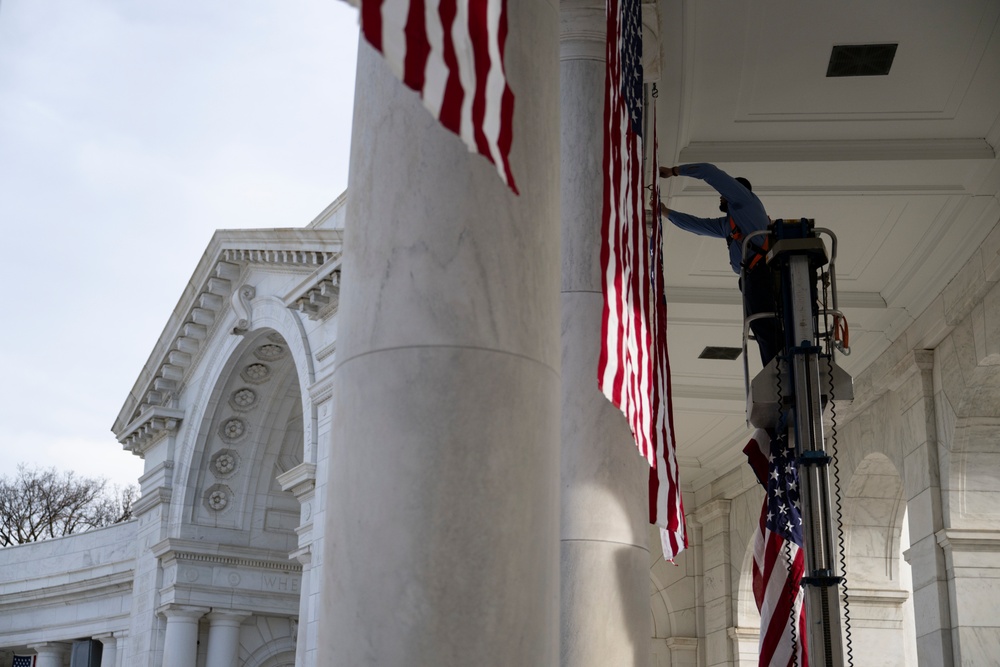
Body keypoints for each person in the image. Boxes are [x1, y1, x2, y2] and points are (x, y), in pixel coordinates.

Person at [659, 163, 782, 367]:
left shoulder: (746, 202)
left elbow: (709, 172)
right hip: (752, 278)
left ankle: (779, 371)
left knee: (765, 326)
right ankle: (775, 371)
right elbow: (699, 226)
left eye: (724, 195)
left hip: (762, 273)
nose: (721, 197)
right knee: (761, 328)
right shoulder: (731, 224)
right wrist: (666, 212)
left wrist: (674, 171)